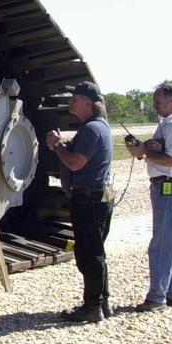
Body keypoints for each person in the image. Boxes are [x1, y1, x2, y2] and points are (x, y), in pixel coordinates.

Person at [45, 81, 114, 323]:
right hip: (94, 196)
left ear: (88, 103)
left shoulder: (92, 129)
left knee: (88, 253)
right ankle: (102, 302)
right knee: (95, 251)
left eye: (75, 98)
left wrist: (56, 146)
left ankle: (92, 305)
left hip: (88, 198)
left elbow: (75, 163)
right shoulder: (96, 127)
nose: (71, 101)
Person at [125, 83, 172, 311]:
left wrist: (144, 152)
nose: (155, 105)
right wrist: (146, 149)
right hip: (170, 186)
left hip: (168, 186)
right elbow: (163, 154)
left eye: (158, 101)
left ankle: (157, 297)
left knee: (163, 242)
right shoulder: (169, 124)